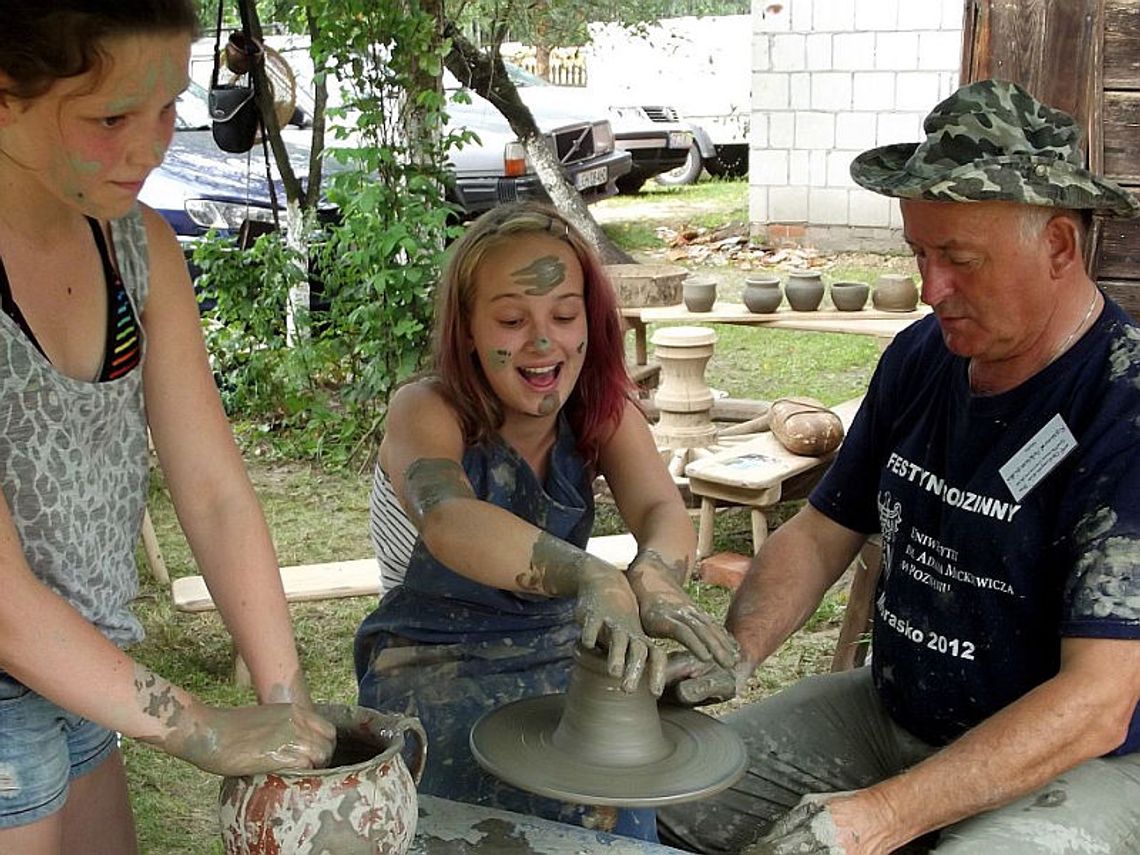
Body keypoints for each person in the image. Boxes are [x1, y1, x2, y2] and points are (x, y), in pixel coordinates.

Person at [657, 79, 1140, 854]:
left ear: (1057, 245)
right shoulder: (923, 354)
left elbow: (1098, 701)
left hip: (1079, 760)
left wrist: (880, 815)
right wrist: (734, 651)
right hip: (896, 711)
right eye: (920, 253)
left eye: (959, 258)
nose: (931, 287)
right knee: (666, 797)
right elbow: (820, 533)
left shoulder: (1123, 406)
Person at [0, 5, 335, 852]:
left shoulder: (138, 248)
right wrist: (198, 725)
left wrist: (281, 694)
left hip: (87, 666)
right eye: (110, 117)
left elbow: (215, 492)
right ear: (5, 95)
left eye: (166, 107)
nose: (150, 147)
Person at [356, 200, 738, 841]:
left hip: (559, 645)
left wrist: (655, 578)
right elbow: (450, 518)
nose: (541, 341)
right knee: (471, 827)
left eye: (563, 315)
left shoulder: (601, 411)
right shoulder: (425, 410)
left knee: (612, 807)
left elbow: (660, 509)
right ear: (468, 330)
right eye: (511, 319)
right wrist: (594, 576)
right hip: (429, 660)